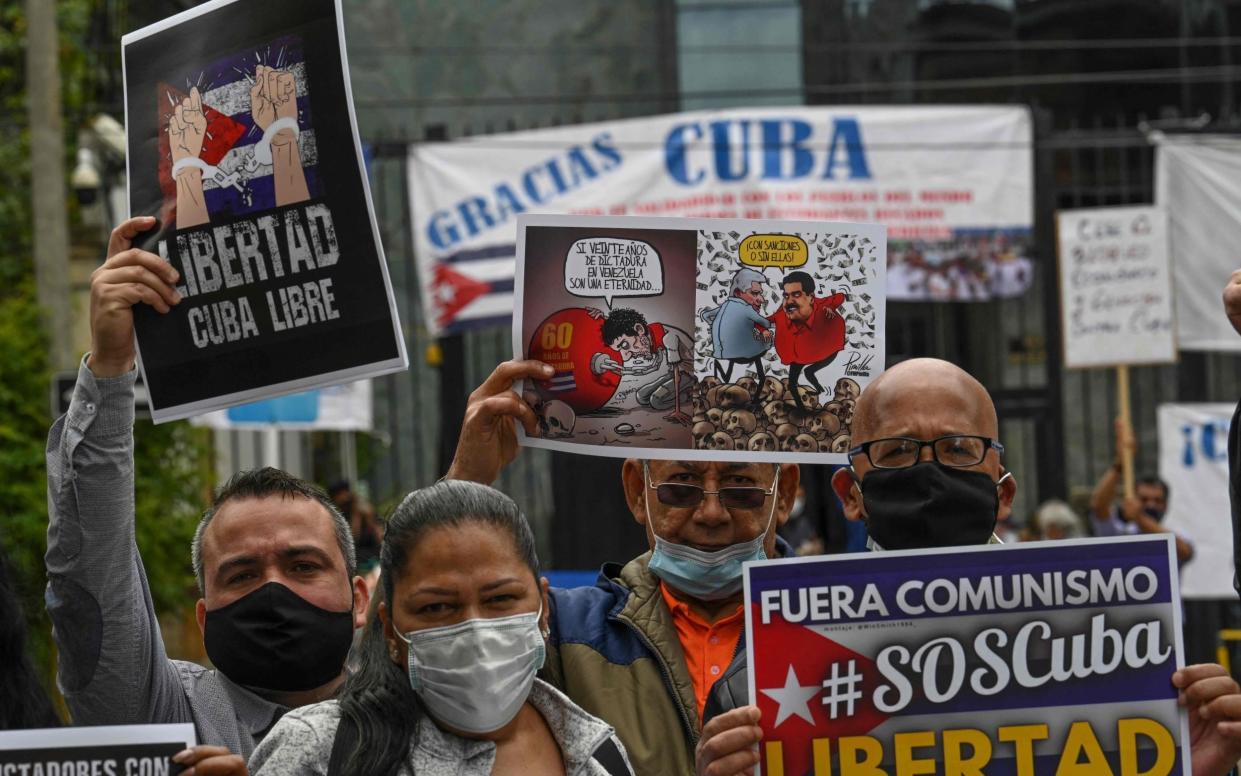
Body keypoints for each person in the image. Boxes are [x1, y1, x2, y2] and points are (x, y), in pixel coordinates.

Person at [695, 358, 1241, 776]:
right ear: (850, 495)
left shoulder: (1123, 646)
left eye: (958, 448)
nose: (929, 472)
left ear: (1003, 493)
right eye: (898, 451)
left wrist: (1198, 765)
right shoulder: (762, 687)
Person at [44, 216, 367, 759]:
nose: (273, 590)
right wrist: (112, 364)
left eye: (303, 566)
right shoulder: (164, 718)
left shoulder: (415, 718)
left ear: (359, 598)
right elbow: (91, 577)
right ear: (203, 613)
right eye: (241, 573)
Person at [445, 359, 799, 775]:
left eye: (740, 487)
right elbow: (403, 671)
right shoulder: (560, 634)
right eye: (680, 485)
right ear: (636, 491)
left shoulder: (845, 621)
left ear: (785, 493)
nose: (710, 512)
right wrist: (466, 479)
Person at [249, 480, 633, 775]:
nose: (475, 631)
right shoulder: (321, 747)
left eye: (500, 599)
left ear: (543, 611)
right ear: (390, 632)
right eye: (436, 607)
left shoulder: (598, 752)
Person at [1089, 418, 1193, 564]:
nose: (1151, 505)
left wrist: (1139, 518)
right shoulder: (1120, 534)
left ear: (1166, 505)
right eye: (1144, 499)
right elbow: (1099, 506)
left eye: (1157, 500)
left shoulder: (1178, 536)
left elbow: (1183, 552)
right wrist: (1119, 465)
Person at [591, 307, 696, 426]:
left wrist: (677, 411)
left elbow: (677, 378)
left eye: (625, 345)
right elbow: (624, 328)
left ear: (639, 329)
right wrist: (604, 319)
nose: (628, 354)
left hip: (690, 375)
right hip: (677, 374)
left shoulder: (668, 338)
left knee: (656, 400)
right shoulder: (647, 332)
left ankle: (688, 395)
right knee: (641, 396)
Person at [764, 271, 845, 411]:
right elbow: (765, 321)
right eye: (786, 296)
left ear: (811, 297)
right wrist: (761, 328)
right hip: (799, 356)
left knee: (809, 372)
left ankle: (819, 390)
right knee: (793, 383)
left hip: (828, 351)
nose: (789, 301)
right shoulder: (783, 313)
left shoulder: (821, 306)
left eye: (796, 294)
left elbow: (840, 296)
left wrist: (831, 307)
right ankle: (802, 411)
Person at [699, 268, 776, 385]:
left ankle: (721, 370)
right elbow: (764, 323)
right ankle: (761, 380)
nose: (761, 299)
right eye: (754, 293)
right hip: (745, 354)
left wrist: (717, 326)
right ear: (738, 293)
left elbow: (706, 315)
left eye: (760, 293)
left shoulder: (724, 306)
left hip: (722, 353)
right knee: (767, 340)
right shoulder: (746, 308)